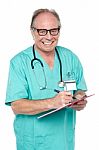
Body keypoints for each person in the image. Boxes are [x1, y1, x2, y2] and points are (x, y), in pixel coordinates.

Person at [5, 8, 87, 150]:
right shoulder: (19, 62)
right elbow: (16, 106)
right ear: (32, 32)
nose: (49, 37)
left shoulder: (70, 58)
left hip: (65, 142)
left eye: (53, 30)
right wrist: (52, 103)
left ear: (59, 31)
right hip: (34, 143)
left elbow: (79, 89)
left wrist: (79, 98)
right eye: (42, 31)